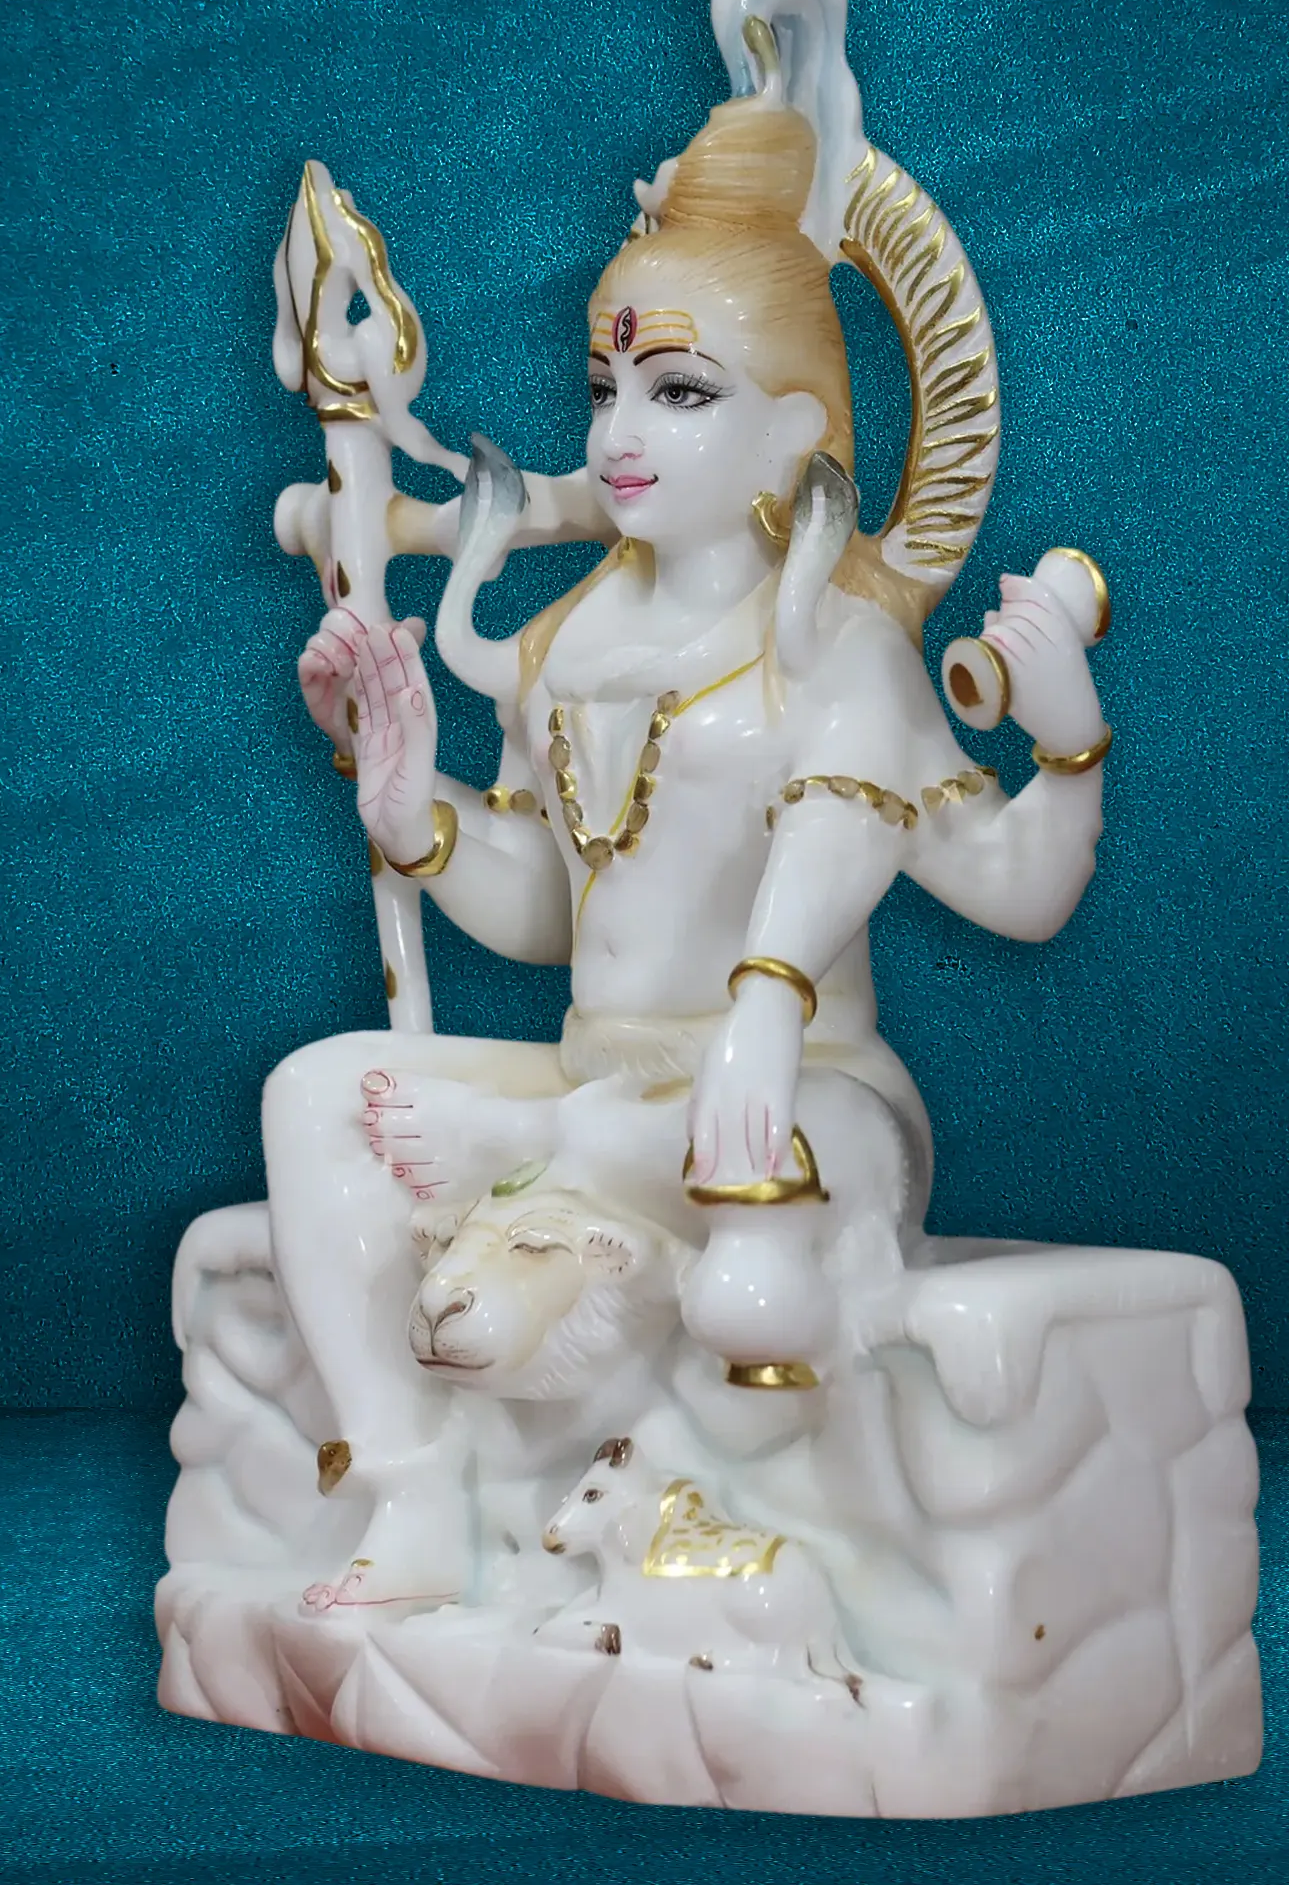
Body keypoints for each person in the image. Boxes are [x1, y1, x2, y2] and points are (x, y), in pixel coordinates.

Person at [269, 94, 1109, 1611]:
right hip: (602, 1076)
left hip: (805, 1105)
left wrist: (1067, 748)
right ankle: (412, 1493)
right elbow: (554, 910)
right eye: (607, 390)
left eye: (679, 393)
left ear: (796, 427)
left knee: (714, 1142)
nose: (617, 437)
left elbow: (1018, 888)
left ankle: (541, 1167)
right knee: (314, 1094)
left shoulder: (840, 648)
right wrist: (418, 820)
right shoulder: (564, 645)